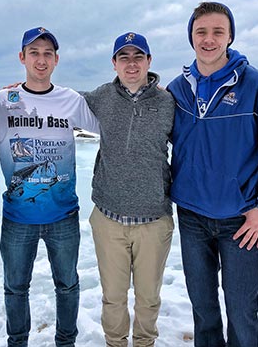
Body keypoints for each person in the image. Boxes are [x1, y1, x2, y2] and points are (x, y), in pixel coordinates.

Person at [167, 2, 258, 347]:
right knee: (203, 308)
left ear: (230, 36)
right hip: (192, 215)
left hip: (241, 220)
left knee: (241, 309)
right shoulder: (177, 90)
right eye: (201, 31)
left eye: (217, 32)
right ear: (191, 37)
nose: (208, 40)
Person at [0, 27, 99, 347]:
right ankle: (17, 342)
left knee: (67, 285)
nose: (41, 59)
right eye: (34, 53)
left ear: (56, 60)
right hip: (17, 216)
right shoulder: (1, 101)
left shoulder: (71, 100)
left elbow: (110, 125)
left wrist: (150, 92)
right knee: (14, 288)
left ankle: (66, 342)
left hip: (63, 215)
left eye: (47, 53)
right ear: (22, 57)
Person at [82, 32, 175, 347]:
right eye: (124, 57)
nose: (131, 63)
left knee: (149, 297)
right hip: (108, 218)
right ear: (114, 63)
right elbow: (56, 103)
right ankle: (115, 342)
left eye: (138, 57)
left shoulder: (168, 102)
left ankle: (145, 342)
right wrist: (17, 94)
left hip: (154, 218)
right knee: (113, 296)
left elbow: (196, 147)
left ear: (149, 61)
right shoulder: (100, 97)